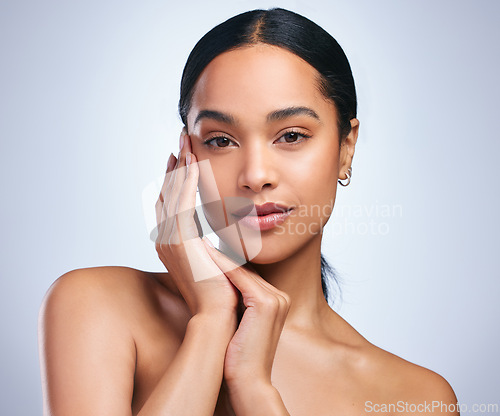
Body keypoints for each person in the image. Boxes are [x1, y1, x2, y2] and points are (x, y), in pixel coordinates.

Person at [38, 8, 459, 416]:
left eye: (291, 135)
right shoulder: (97, 306)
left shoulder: (418, 396)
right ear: (187, 155)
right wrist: (211, 321)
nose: (255, 176)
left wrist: (254, 390)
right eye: (221, 140)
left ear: (346, 148)